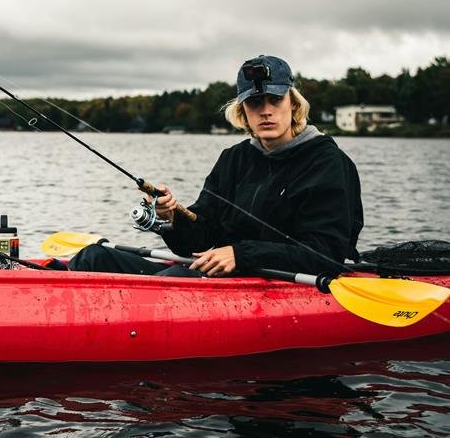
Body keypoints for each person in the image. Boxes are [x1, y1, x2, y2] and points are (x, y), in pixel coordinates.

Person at [69, 55, 363, 277]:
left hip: (279, 282)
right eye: (255, 102)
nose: (265, 110)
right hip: (221, 275)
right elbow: (200, 236)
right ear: (243, 111)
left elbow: (327, 254)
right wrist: (172, 217)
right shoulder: (234, 158)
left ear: (294, 104)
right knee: (94, 258)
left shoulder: (328, 163)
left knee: (175, 277)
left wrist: (242, 254)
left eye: (275, 99)